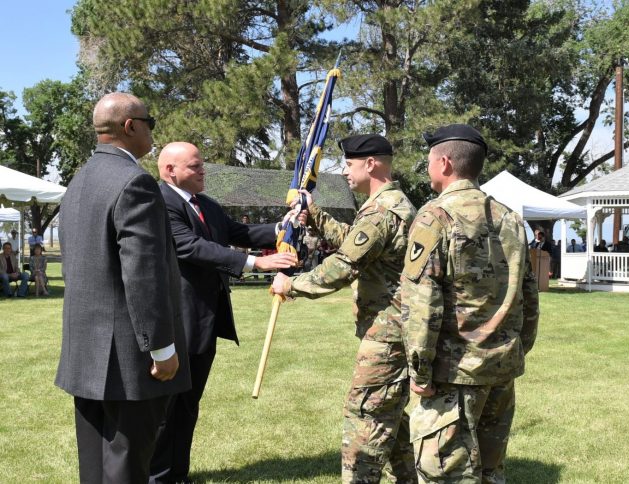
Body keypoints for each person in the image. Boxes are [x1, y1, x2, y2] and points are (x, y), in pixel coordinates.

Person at [55, 92, 191, 484]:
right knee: (128, 467)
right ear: (131, 126)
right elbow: (143, 274)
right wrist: (162, 348)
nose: (153, 131)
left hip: (86, 351)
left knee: (96, 469)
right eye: (151, 121)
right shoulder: (135, 183)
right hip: (131, 359)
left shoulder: (78, 182)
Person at [272, 133, 418, 483]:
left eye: (349, 165)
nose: (345, 173)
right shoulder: (385, 205)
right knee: (389, 416)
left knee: (365, 417)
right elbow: (357, 242)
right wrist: (316, 215)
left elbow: (344, 265)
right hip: (394, 327)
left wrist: (292, 284)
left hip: (388, 333)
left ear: (371, 164)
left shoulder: (382, 210)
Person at [150, 141, 297, 483]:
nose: (203, 172)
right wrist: (255, 262)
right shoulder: (159, 203)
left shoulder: (206, 205)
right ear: (170, 170)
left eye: (202, 166)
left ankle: (176, 473)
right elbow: (188, 246)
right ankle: (155, 476)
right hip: (175, 322)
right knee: (166, 408)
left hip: (203, 321)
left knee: (188, 404)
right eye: (195, 166)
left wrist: (282, 227)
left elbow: (239, 233)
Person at [400, 124, 539, 482]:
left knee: (444, 474)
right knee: (491, 473)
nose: (427, 167)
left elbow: (421, 304)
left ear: (444, 163)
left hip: (454, 374)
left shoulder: (435, 216)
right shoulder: (511, 219)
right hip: (501, 369)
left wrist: (420, 371)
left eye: (429, 160)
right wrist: (517, 348)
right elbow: (529, 295)